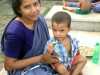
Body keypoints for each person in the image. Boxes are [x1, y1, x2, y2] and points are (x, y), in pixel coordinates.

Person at [1, 0, 59, 75]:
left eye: (35, 4)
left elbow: (46, 44)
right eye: (27, 7)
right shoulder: (15, 32)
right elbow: (9, 66)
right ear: (18, 10)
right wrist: (41, 59)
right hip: (25, 69)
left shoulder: (40, 20)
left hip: (44, 60)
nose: (34, 10)